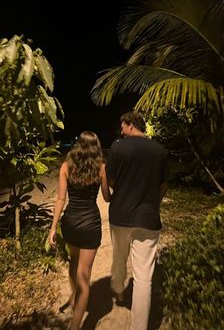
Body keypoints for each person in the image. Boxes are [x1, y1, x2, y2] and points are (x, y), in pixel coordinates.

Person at [105, 111, 168, 330]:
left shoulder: (118, 146)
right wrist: (152, 203)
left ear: (130, 124)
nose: (120, 130)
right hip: (148, 218)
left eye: (122, 126)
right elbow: (163, 185)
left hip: (120, 216)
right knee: (144, 278)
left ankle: (119, 291)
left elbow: (110, 180)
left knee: (119, 258)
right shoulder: (160, 151)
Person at [48, 131, 111, 330]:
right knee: (85, 276)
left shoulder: (66, 167)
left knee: (74, 262)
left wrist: (52, 229)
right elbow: (107, 197)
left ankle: (75, 296)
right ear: (96, 148)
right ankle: (76, 326)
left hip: (71, 223)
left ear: (77, 146)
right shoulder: (101, 168)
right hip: (90, 224)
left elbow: (60, 199)